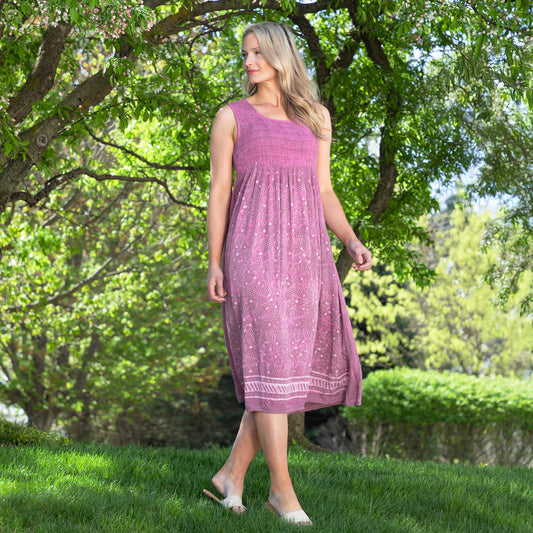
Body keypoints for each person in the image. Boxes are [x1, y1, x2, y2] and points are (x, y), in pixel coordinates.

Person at [204, 21, 372, 526]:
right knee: (270, 362)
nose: (249, 61)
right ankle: (282, 491)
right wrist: (214, 261)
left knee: (276, 371)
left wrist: (350, 239)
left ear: (280, 54)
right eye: (245, 53)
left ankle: (230, 476)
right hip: (252, 252)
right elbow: (219, 192)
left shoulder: (315, 117)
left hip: (305, 256)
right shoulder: (231, 117)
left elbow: (323, 190)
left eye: (257, 52)